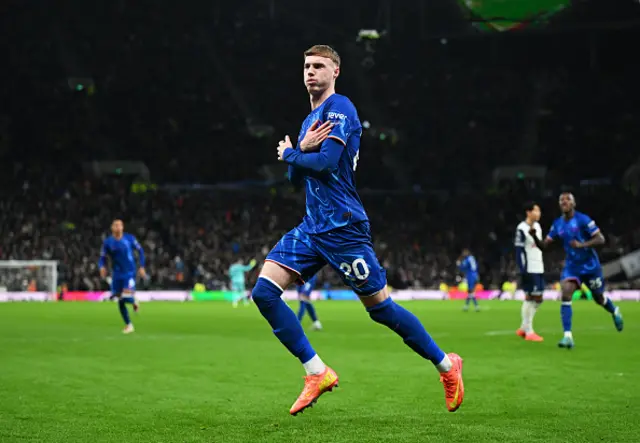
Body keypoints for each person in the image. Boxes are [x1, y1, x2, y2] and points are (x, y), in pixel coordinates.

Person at [250, 44, 464, 416]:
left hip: (344, 226)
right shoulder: (309, 120)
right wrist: (298, 151)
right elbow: (293, 178)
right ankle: (316, 371)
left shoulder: (340, 108)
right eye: (306, 66)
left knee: (380, 309)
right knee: (264, 292)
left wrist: (292, 154)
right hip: (313, 227)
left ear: (336, 72)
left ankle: (447, 366)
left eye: (318, 66)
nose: (310, 72)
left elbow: (327, 163)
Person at [533, 193, 623, 348]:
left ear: (574, 204)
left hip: (590, 266)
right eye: (561, 200)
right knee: (566, 292)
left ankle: (614, 311)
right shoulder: (557, 224)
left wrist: (582, 245)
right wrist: (535, 237)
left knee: (598, 298)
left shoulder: (583, 220)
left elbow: (600, 239)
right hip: (572, 267)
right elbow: (544, 246)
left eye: (568, 200)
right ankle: (568, 336)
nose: (564, 202)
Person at [99, 219, 146, 334]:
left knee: (125, 297)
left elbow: (141, 251)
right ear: (112, 228)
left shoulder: (129, 238)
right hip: (117, 273)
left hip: (129, 272)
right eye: (116, 225)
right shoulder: (108, 242)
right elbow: (102, 257)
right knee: (119, 299)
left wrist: (142, 266)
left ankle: (133, 300)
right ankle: (129, 325)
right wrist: (102, 267)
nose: (118, 227)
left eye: (120, 225)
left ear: (123, 227)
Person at [514, 202, 544, 342]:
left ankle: (523, 327)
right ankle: (529, 331)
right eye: (536, 211)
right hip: (529, 268)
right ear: (528, 212)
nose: (538, 213)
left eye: (539, 211)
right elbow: (519, 250)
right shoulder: (521, 228)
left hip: (539, 266)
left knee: (538, 298)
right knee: (531, 297)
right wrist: (522, 268)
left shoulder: (537, 226)